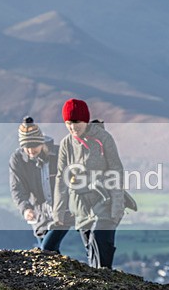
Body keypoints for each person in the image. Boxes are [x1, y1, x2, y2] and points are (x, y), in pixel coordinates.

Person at [53, 99, 126, 269]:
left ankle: (107, 282)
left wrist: (117, 205)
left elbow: (116, 171)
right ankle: (100, 286)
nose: (73, 127)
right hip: (80, 204)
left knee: (100, 241)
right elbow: (61, 177)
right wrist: (58, 211)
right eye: (68, 123)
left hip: (104, 200)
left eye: (76, 122)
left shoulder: (103, 138)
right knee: (90, 250)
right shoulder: (66, 143)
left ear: (85, 120)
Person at [9, 116, 69, 252]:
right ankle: (62, 274)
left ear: (42, 142)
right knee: (51, 254)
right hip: (39, 215)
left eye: (34, 146)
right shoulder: (18, 160)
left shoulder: (60, 154)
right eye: (26, 147)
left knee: (47, 249)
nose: (30, 151)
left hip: (63, 211)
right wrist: (25, 208)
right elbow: (17, 188)